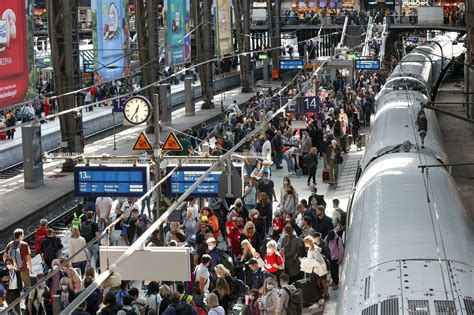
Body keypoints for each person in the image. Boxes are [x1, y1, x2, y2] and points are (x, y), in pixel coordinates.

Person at [302, 236, 329, 304]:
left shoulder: (315, 250)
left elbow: (319, 261)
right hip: (315, 269)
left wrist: (309, 261)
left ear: (308, 242)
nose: (304, 244)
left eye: (305, 242)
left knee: (323, 282)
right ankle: (321, 294)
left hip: (320, 269)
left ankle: (326, 294)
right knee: (318, 282)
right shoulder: (310, 248)